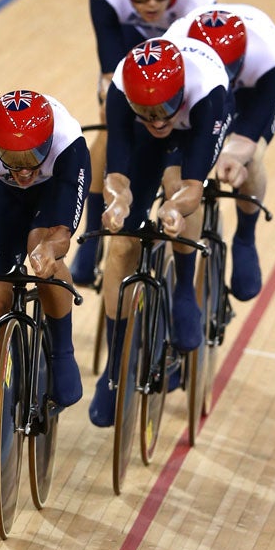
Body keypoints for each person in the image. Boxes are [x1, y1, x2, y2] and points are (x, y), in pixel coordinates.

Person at [90, 36, 228, 426]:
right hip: (144, 143)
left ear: (180, 93)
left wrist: (173, 209)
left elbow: (193, 188)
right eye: (147, 111)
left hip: (196, 134)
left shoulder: (207, 94)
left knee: (175, 187)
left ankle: (184, 290)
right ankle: (116, 367)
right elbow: (117, 173)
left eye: (165, 108)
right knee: (121, 246)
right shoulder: (121, 91)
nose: (157, 119)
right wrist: (117, 202)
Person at [70, 0, 217, 286]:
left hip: (179, 63)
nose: (151, 5)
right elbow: (110, 71)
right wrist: (116, 109)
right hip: (130, 62)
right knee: (109, 131)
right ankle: (91, 239)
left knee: (182, 137)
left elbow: (199, 64)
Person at [0, 90, 91, 466]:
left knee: (42, 251)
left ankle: (62, 353)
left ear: (48, 143)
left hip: (52, 197)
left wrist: (50, 250)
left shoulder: (69, 144)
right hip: (2, 199)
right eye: (13, 159)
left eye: (33, 157)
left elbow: (62, 233)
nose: (23, 169)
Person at [182, 3, 275, 301]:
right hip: (200, 92)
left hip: (249, 95)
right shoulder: (176, 43)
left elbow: (245, 139)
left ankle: (246, 236)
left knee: (250, 158)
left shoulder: (273, 60)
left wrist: (232, 155)